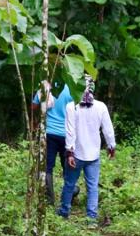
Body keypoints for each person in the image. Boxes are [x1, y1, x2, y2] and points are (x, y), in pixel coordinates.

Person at [59, 80, 116, 221]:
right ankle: (91, 218)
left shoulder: (71, 106)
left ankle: (64, 212)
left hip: (76, 154)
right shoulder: (101, 106)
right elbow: (107, 129)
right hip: (93, 155)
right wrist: (111, 146)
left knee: (69, 184)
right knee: (92, 187)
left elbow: (70, 131)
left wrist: (69, 152)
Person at [30, 80, 74, 206]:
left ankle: (49, 198)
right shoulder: (70, 88)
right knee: (68, 165)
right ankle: (70, 193)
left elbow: (34, 106)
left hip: (49, 133)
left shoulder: (45, 87)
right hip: (67, 134)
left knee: (47, 166)